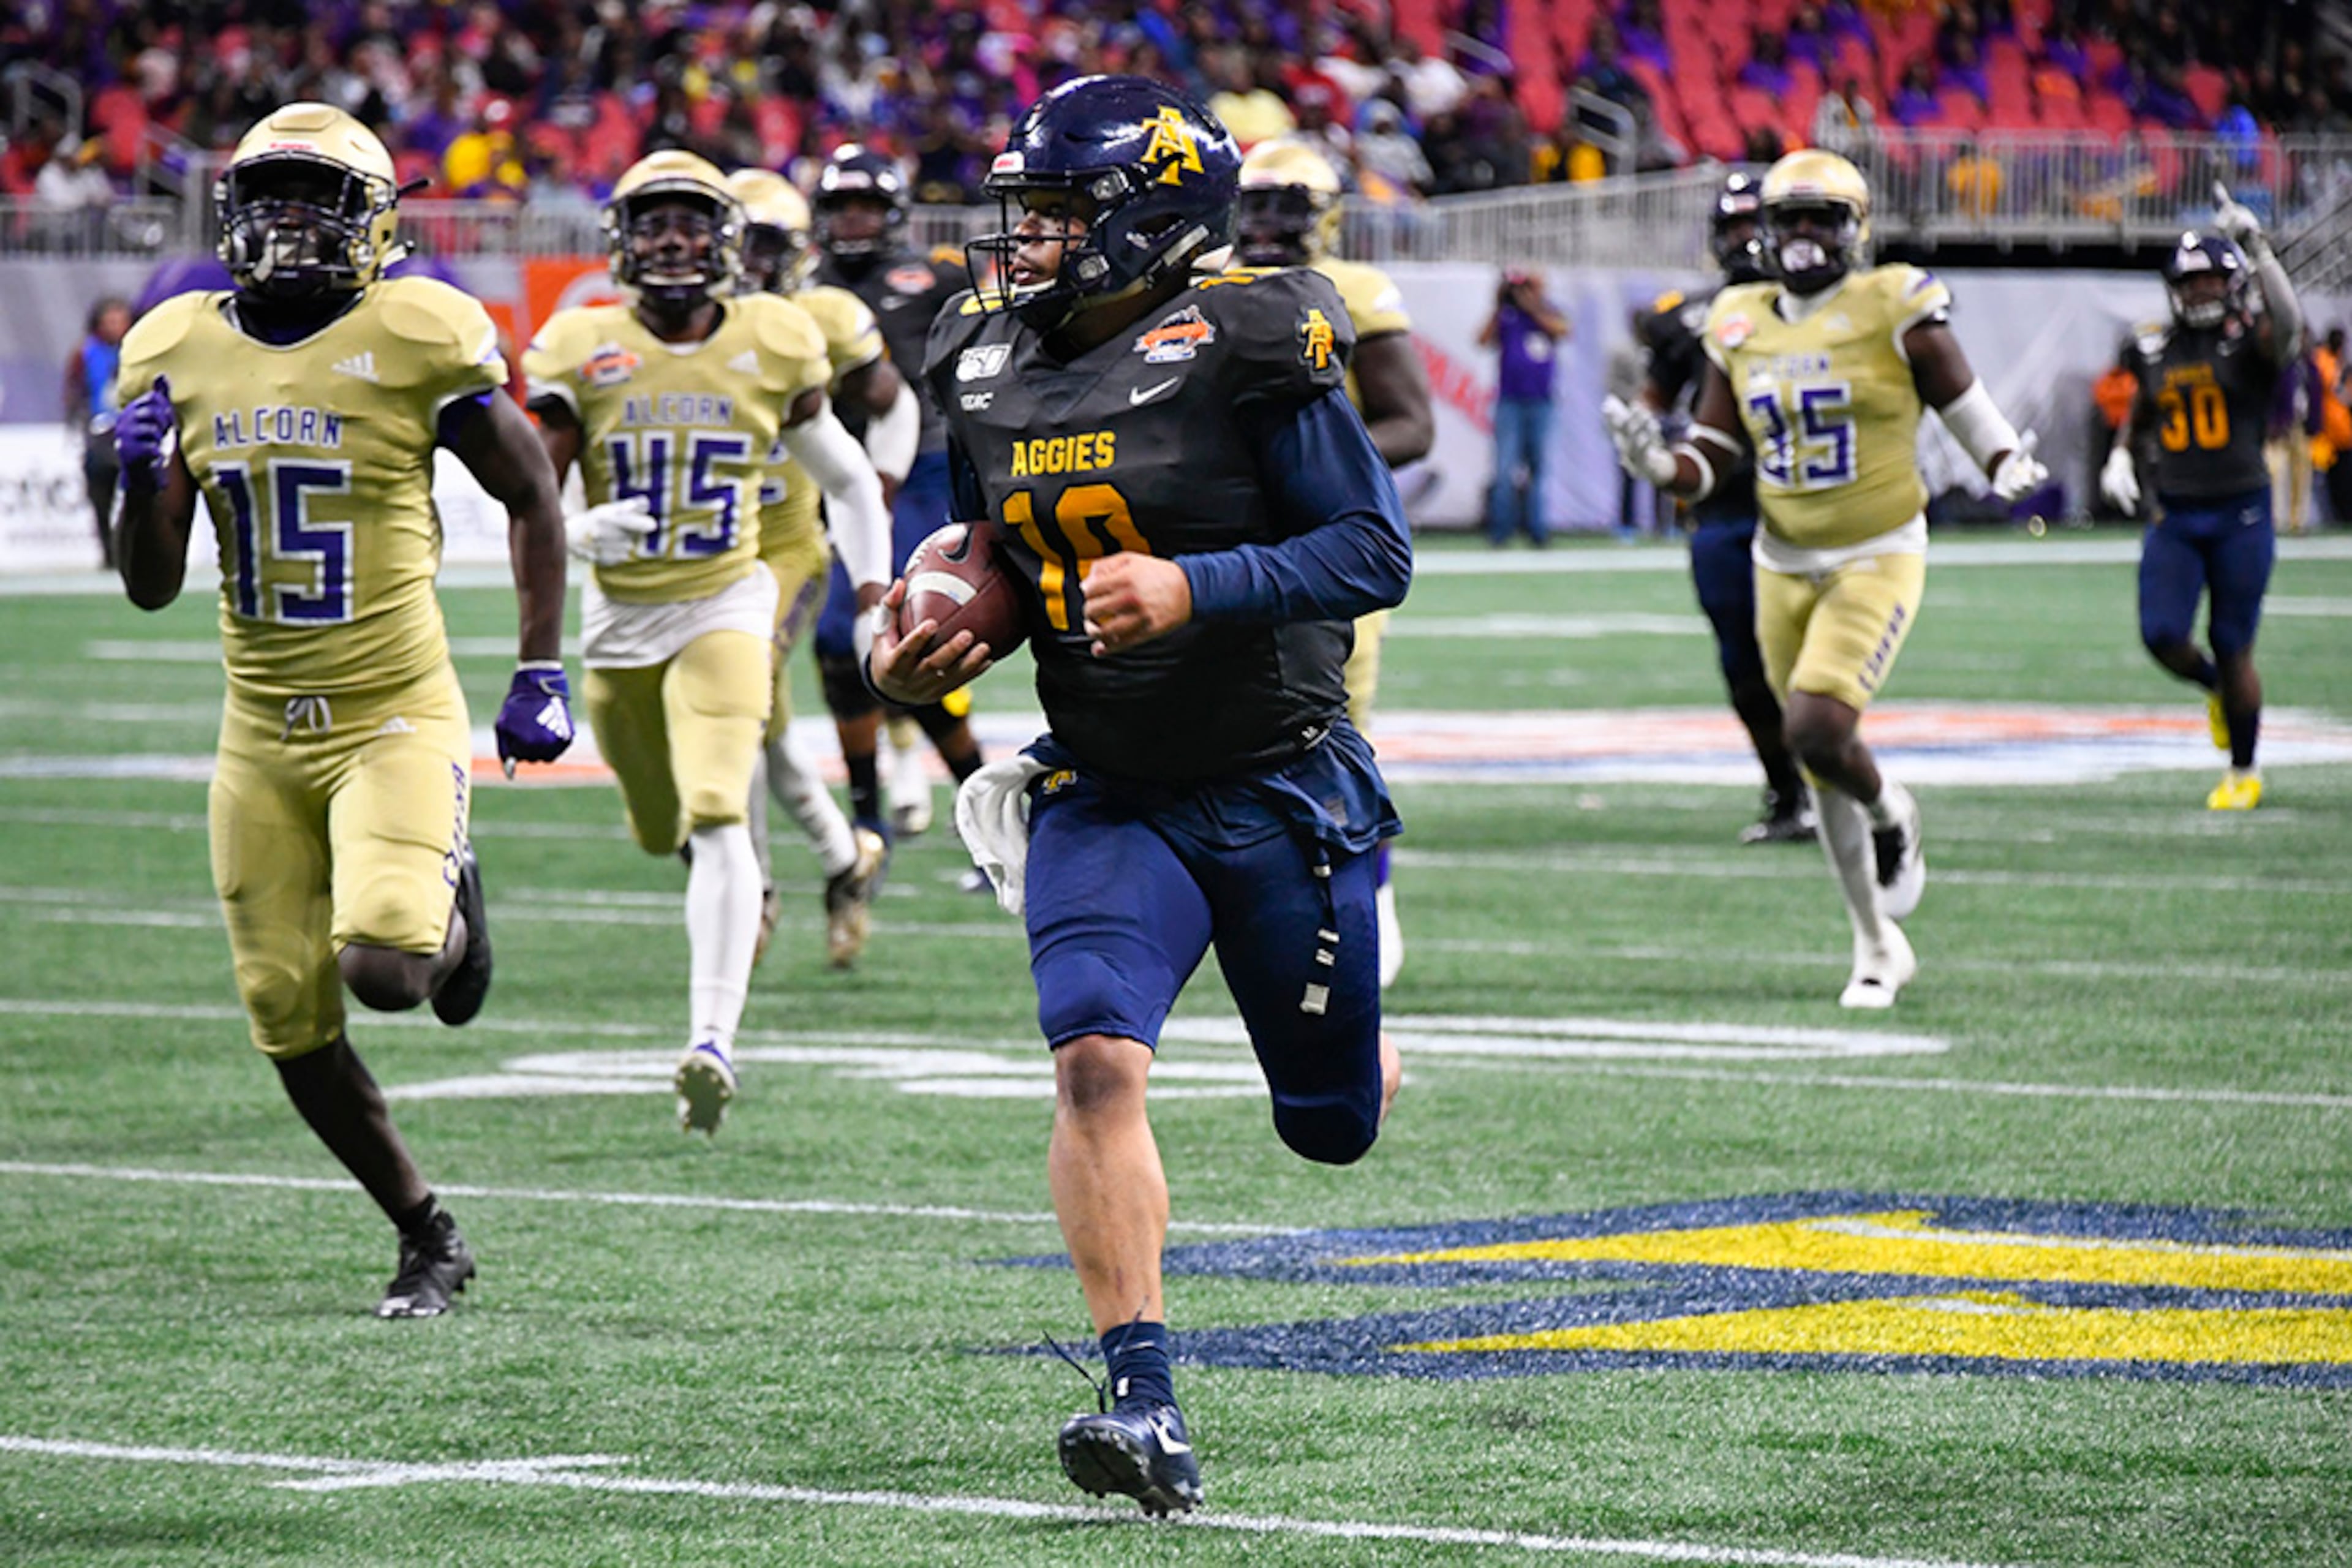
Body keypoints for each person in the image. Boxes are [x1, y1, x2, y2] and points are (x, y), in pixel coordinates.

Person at [877, 75, 1410, 1515]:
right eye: (1022, 214)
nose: (1024, 243)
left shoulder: (1252, 336)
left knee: (1331, 1124)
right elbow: (982, 541)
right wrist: (932, 626)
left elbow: (1373, 549)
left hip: (1280, 784)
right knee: (1094, 1061)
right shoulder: (979, 356)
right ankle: (1142, 1395)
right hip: (1105, 788)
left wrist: (1196, 584)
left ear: (1146, 220)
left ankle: (1360, 1024)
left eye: (1054, 214)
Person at [111, 103, 575, 1316]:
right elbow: (153, 585)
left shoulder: (417, 330)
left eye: (321, 196)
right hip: (257, 729)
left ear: (375, 223)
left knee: (386, 967)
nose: (291, 221)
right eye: (271, 194)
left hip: (390, 709)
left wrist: (539, 669)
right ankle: (425, 1228)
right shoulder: (174, 343)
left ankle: (454, 898)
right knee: (284, 1014)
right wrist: (131, 483)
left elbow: (532, 496)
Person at [1603, 149, 2046, 1008]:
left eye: (1823, 218)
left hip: (1876, 548)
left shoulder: (1894, 301)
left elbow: (1961, 396)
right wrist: (1661, 465)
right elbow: (1713, 459)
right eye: (1790, 219)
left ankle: (1892, 812)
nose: (1805, 235)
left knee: (1815, 725)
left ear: (1857, 228)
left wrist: (2000, 457)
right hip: (1781, 557)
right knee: (1814, 757)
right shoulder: (1736, 318)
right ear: (1764, 231)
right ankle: (1876, 944)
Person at [524, 150, 891, 1134]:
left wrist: (871, 590)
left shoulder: (774, 336)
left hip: (729, 599)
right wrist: (572, 527)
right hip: (620, 627)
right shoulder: (581, 343)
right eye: (655, 224)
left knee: (723, 810)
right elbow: (521, 490)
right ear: (622, 242)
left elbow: (851, 478)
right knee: (663, 827)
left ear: (726, 239)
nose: (675, 242)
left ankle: (712, 1040)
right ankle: (833, 847)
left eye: (694, 222)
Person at [1232, 136, 1433, 989]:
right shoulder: (1204, 285)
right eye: (1259, 203)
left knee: (1335, 730)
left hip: (1324, 546)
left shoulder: (1354, 293)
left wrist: (1310, 473)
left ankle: (1372, 894)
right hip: (1225, 551)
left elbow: (1411, 423)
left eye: (1291, 205)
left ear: (1328, 216)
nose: (1272, 223)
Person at [723, 167, 892, 967]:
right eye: (741, 241)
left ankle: (750, 888)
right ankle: (841, 854)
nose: (750, 263)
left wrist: (882, 489)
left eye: (767, 245)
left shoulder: (813, 320)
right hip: (703, 557)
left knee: (736, 699)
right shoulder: (673, 324)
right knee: (757, 725)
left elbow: (894, 404)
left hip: (787, 546)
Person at [806, 145, 990, 856]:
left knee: (891, 630)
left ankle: (915, 809)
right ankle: (875, 813)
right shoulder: (807, 289)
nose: (853, 219)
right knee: (849, 648)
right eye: (841, 206)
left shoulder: (934, 278)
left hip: (922, 468)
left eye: (867, 206)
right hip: (833, 475)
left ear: (893, 215)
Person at [1630, 172, 1816, 845]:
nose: (1742, 239)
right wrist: (1646, 437)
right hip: (1721, 511)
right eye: (1731, 227)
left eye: (1752, 224)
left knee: (1809, 660)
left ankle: (1829, 779)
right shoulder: (1690, 316)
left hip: (1801, 508)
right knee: (1742, 663)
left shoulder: (1819, 311)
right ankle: (1786, 789)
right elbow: (1655, 397)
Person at [2099, 201, 2302, 812]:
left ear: (2233, 282)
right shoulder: (2156, 346)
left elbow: (2288, 324)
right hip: (2177, 513)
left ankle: (2244, 768)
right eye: (2190, 281)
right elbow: (2143, 404)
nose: (2201, 290)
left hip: (2241, 511)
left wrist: (2260, 248)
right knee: (2161, 633)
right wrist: (2119, 452)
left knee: (2232, 640)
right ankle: (2215, 688)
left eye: (2211, 278)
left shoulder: (2250, 342)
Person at [1479, 268, 1566, 546]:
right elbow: (1481, 340)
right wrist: (1499, 303)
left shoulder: (1548, 312)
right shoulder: (1507, 316)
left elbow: (1562, 331)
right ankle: (1500, 532)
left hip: (1542, 401)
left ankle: (1538, 531)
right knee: (1504, 469)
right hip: (1511, 401)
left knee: (1540, 468)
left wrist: (1533, 306)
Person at [64, 295, 134, 568]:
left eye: (120, 320)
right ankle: (109, 553)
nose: (115, 326)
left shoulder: (140, 350)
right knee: (100, 495)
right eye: (109, 321)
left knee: (137, 494)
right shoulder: (85, 353)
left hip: (132, 431)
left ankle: (132, 549)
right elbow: (73, 391)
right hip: (98, 434)